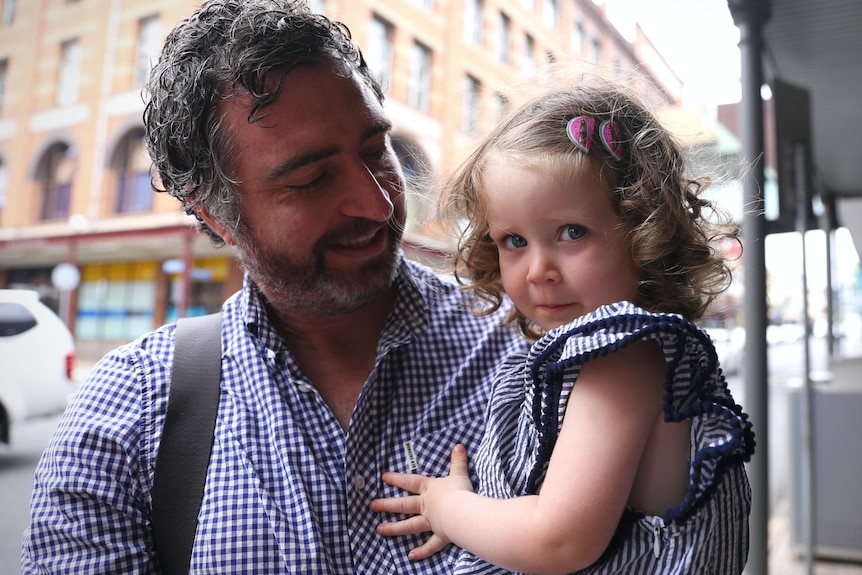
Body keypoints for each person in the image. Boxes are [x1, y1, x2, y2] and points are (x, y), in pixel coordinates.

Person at [20, 1, 527, 573]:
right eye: (311, 179)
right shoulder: (128, 419)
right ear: (214, 214)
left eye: (373, 151)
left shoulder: (527, 347)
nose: (376, 201)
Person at [371, 76, 756, 574]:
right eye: (513, 240)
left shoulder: (622, 359)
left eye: (571, 233)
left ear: (644, 233)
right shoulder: (593, 358)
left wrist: (448, 508)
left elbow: (558, 542)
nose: (538, 270)